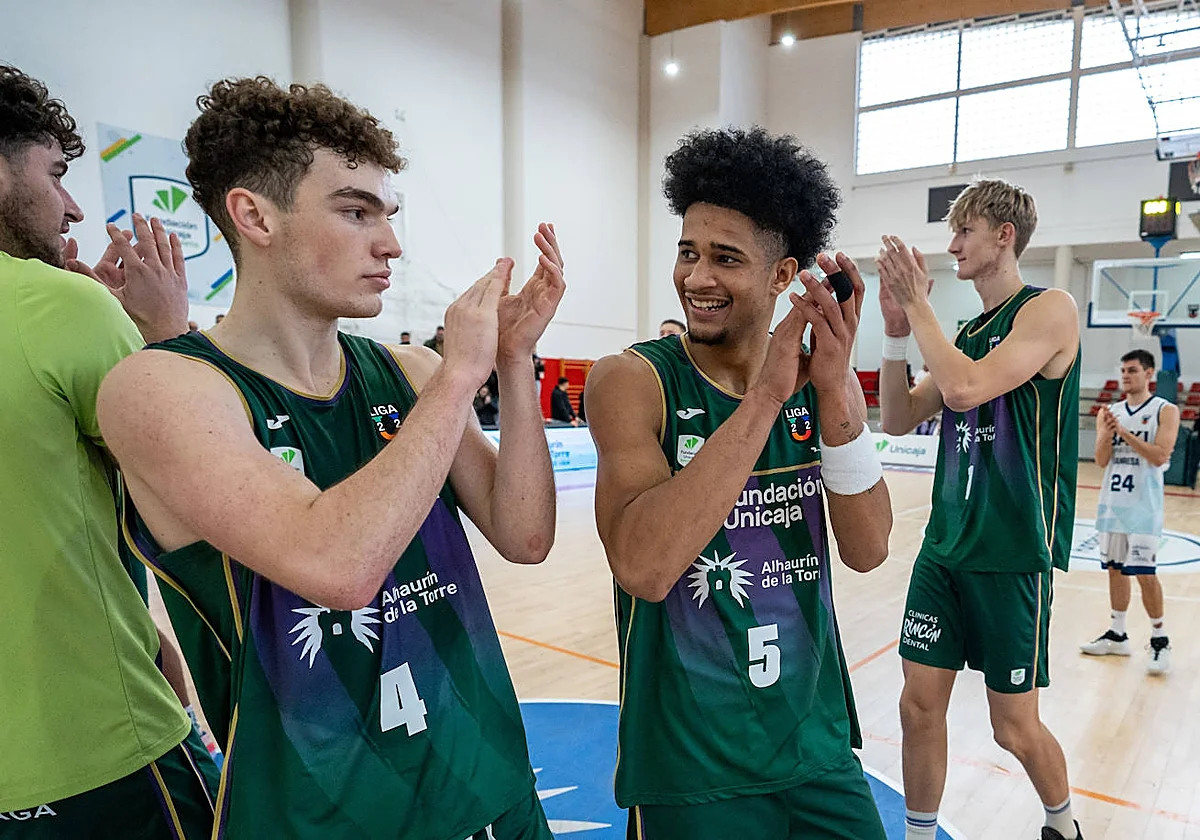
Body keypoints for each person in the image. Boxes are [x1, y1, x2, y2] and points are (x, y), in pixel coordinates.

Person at [97, 76, 565, 839]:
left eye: (387, 215)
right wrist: (458, 377)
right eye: (355, 212)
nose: (390, 244)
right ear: (253, 215)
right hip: (320, 818)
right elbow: (340, 567)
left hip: (491, 789)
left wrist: (512, 364)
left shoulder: (404, 373)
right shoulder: (161, 388)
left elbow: (526, 535)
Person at [587, 126, 892, 840]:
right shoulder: (635, 380)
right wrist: (763, 400)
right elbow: (645, 567)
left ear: (784, 276)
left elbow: (870, 547)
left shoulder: (815, 384)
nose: (697, 278)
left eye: (726, 258)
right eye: (688, 252)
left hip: (814, 743)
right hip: (692, 767)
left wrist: (836, 385)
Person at [0, 64, 218, 837]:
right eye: (56, 175)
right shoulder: (58, 302)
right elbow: (210, 483)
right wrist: (166, 335)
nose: (72, 206)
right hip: (97, 743)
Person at [876, 179, 1083, 840]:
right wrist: (894, 333)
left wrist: (917, 304)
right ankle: (918, 834)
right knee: (916, 705)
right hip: (946, 548)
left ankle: (1063, 824)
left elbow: (965, 389)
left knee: (1012, 726)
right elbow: (900, 415)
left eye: (965, 230)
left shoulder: (1050, 309)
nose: (952, 244)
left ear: (1004, 235)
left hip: (1011, 550)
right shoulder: (967, 330)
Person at [1080, 349, 1179, 674]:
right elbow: (1101, 460)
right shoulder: (1109, 411)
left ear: (1149, 373)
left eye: (1132, 370)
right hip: (1112, 505)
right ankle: (1118, 634)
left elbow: (1160, 456)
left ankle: (1160, 638)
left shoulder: (1166, 410)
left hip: (1145, 507)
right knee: (1115, 570)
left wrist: (1123, 433)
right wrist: (1107, 436)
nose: (1126, 375)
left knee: (1145, 574)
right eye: (1123, 370)